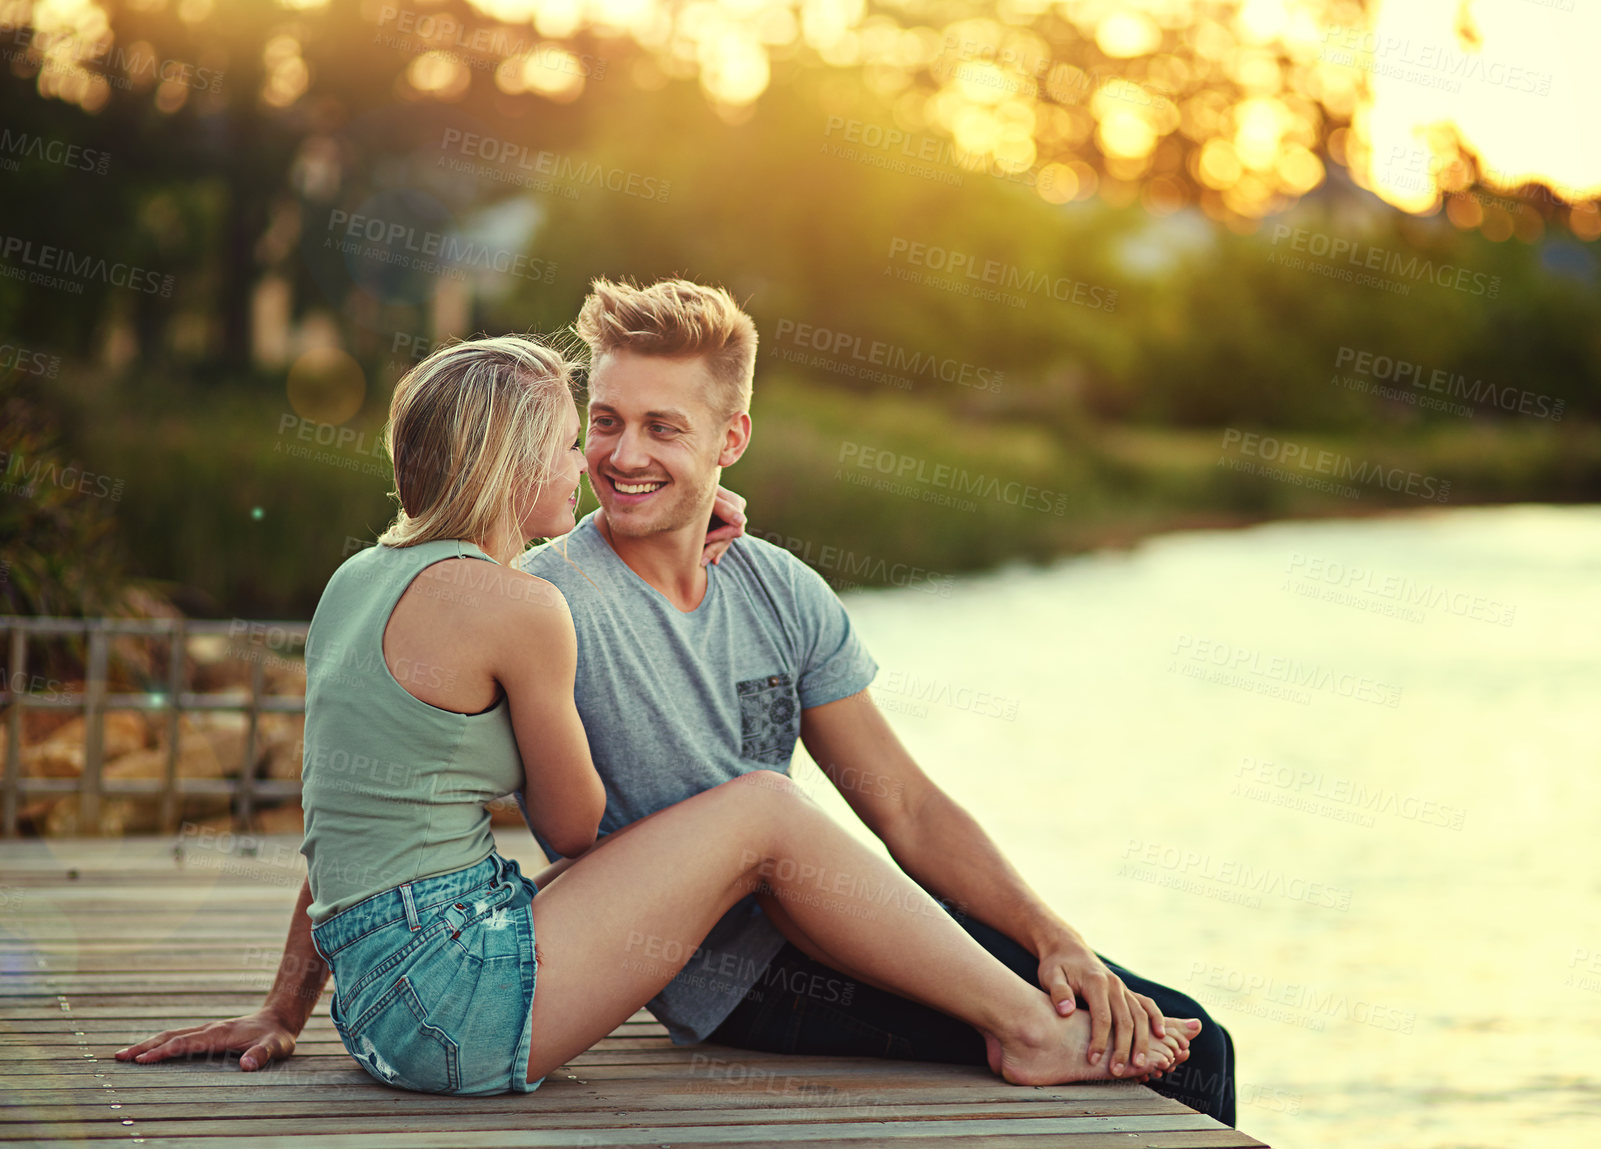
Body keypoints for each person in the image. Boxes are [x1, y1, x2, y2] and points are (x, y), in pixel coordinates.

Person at [117, 330, 1198, 1096]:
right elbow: (581, 829)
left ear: (727, 436)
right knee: (762, 810)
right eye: (570, 441)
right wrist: (580, 652)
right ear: (512, 461)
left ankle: (1027, 1014)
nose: (586, 467)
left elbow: (344, 817)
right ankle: (1027, 1031)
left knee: (739, 820)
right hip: (462, 1010)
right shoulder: (525, 608)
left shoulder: (362, 580)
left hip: (380, 1010)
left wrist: (285, 1008)